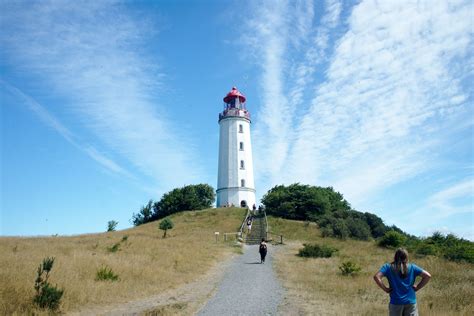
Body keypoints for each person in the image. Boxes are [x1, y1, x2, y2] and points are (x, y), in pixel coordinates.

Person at [374, 248, 431, 316]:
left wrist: (386, 289)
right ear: (406, 257)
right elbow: (428, 276)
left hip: (396, 302)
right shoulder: (413, 267)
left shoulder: (388, 267)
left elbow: (376, 277)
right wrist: (417, 287)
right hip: (411, 302)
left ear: (395, 256)